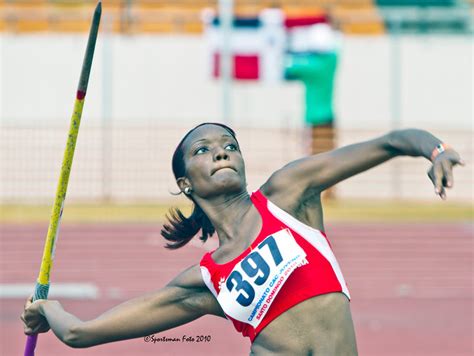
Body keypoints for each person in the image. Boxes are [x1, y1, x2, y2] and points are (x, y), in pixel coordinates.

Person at [21, 123, 464, 355]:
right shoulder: (207, 281)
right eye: (203, 149)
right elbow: (81, 334)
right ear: (185, 183)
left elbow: (390, 142)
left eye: (229, 144)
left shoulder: (288, 195)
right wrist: (48, 309)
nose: (221, 151)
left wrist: (436, 150)